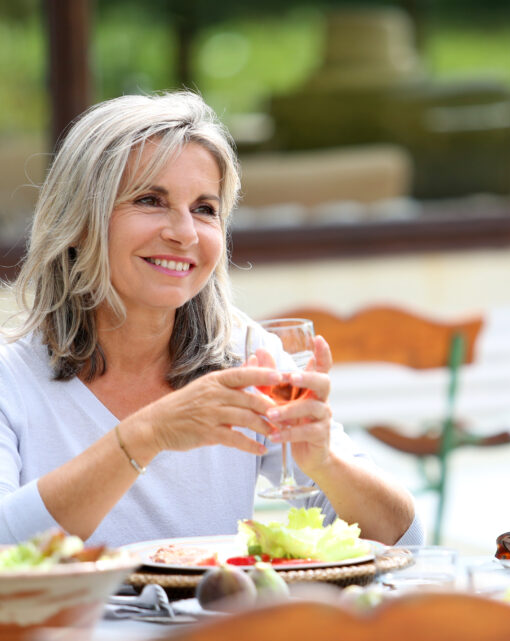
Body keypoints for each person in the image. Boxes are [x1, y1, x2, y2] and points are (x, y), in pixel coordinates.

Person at [0, 91, 421, 549]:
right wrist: (145, 435)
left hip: (220, 622)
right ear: (79, 222)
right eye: (149, 200)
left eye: (204, 209)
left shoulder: (246, 358)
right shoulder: (11, 379)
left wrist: (325, 463)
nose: (183, 233)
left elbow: (405, 540)